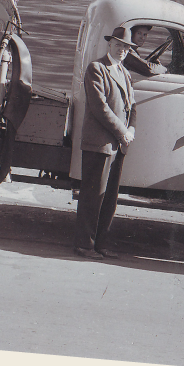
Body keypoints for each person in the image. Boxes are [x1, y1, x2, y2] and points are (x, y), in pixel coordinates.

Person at [73, 26, 137, 259]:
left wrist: (131, 129)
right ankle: (84, 245)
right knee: (92, 196)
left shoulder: (125, 72)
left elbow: (132, 107)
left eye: (126, 47)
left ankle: (100, 244)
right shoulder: (96, 68)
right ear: (109, 44)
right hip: (99, 145)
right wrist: (123, 131)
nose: (122, 50)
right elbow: (100, 107)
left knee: (108, 198)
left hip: (118, 145)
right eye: (118, 45)